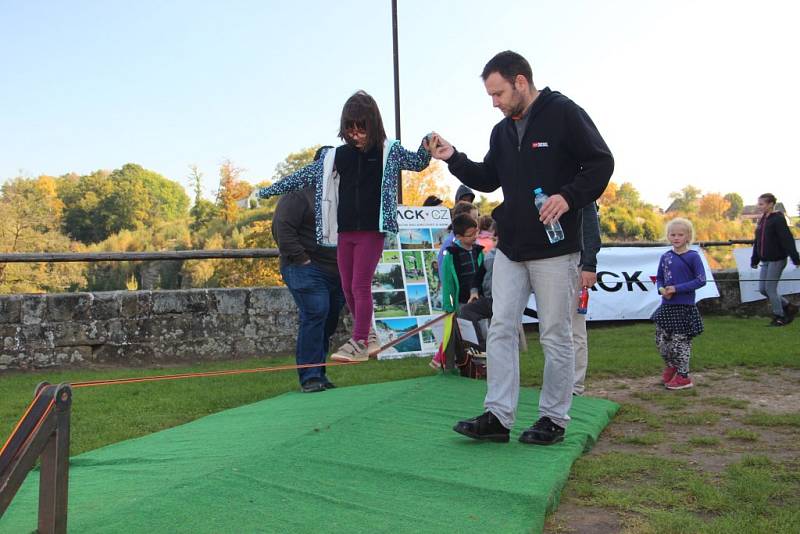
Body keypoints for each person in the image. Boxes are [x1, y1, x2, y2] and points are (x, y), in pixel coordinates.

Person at [429, 50, 613, 445]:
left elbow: (601, 163)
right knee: (500, 330)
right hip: (511, 248)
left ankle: (553, 419)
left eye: (498, 93)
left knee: (554, 335)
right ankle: (498, 416)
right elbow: (488, 177)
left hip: (555, 249)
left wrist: (568, 196)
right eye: (490, 95)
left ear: (521, 82)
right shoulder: (501, 130)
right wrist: (453, 158)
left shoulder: (564, 113)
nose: (494, 102)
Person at [256, 91, 432, 362]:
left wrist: (427, 143)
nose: (356, 136)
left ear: (373, 126)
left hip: (371, 232)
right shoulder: (337, 156)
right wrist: (271, 190)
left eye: (361, 130)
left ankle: (359, 340)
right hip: (344, 232)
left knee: (360, 284)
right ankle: (369, 335)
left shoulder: (388, 152)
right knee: (348, 286)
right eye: (350, 130)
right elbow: (305, 174)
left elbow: (418, 163)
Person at [272, 146, 345, 393]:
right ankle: (311, 376)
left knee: (329, 319)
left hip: (336, 269)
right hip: (305, 267)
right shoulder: (298, 193)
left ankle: (319, 373)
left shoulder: (341, 193)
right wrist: (301, 258)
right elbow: (282, 228)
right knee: (316, 312)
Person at [652, 218, 706, 390]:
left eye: (680, 235)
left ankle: (684, 376)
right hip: (667, 306)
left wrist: (677, 289)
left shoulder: (693, 257)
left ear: (688, 236)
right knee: (661, 341)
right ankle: (671, 365)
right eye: (672, 234)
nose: (676, 238)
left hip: (685, 307)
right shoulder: (665, 256)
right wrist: (661, 289)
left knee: (680, 343)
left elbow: (701, 280)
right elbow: (659, 277)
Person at [430, 214, 485, 369]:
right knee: (461, 333)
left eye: (476, 233)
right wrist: (449, 305)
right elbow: (447, 282)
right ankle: (453, 361)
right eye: (471, 235)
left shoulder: (479, 251)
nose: (475, 237)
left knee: (481, 331)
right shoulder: (451, 255)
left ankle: (480, 362)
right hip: (460, 301)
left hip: (478, 300)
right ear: (459, 236)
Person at [750, 193, 800, 326]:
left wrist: (795, 258)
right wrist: (754, 259)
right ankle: (790, 307)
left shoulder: (777, 219)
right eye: (758, 204)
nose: (759, 206)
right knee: (763, 289)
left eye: (762, 204)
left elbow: (787, 239)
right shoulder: (762, 220)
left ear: (770, 204)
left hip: (777, 259)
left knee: (770, 289)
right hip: (765, 260)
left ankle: (780, 316)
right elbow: (758, 241)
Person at [572, 202, 602, 396]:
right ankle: (559, 382)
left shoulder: (582, 188)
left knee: (575, 328)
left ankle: (575, 385)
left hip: (577, 264)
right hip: (550, 262)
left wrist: (589, 265)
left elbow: (591, 227)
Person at [437, 201, 479, 281]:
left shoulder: (475, 242)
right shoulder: (450, 245)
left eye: (477, 218)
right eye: (474, 218)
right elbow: (445, 277)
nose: (476, 222)